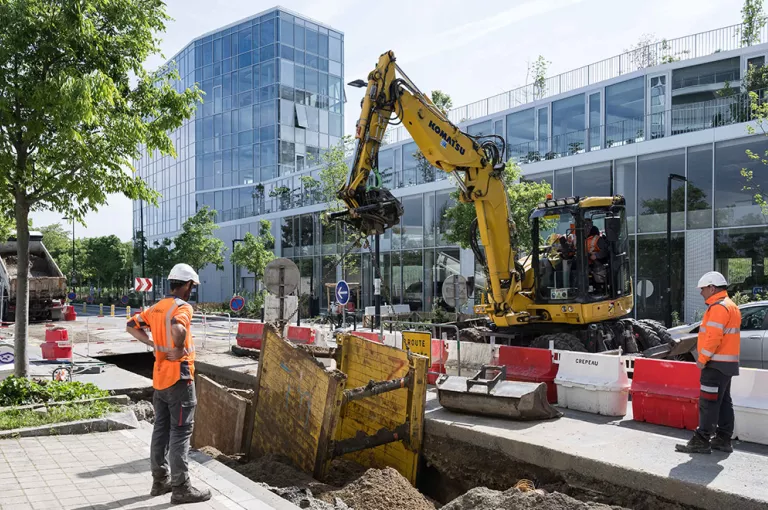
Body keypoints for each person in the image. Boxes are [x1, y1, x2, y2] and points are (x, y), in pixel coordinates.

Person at [126, 263, 211, 504]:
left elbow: (131, 326)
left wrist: (153, 345)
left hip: (160, 379)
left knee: (160, 430)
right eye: (191, 286)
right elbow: (177, 327)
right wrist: (179, 347)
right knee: (181, 432)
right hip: (179, 378)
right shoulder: (182, 307)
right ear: (186, 285)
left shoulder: (156, 308)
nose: (191, 291)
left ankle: (159, 480)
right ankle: (181, 487)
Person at [675, 271, 741, 454]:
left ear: (712, 288)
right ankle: (723, 439)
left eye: (703, 289)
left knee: (709, 403)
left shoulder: (718, 308)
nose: (701, 293)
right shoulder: (731, 306)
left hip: (715, 364)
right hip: (727, 365)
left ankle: (702, 439)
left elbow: (713, 338)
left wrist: (702, 360)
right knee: (724, 402)